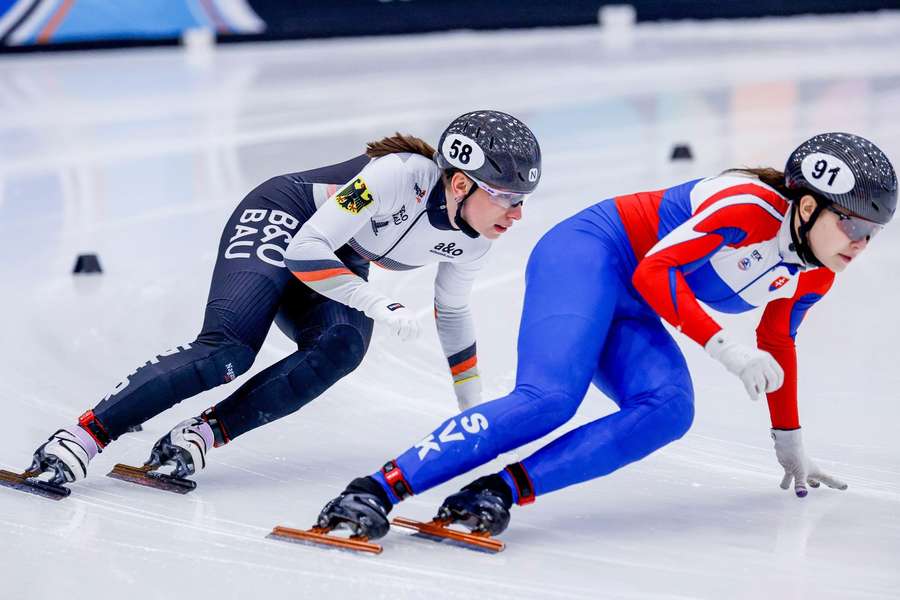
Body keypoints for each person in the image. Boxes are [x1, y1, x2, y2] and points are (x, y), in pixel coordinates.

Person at [314, 132, 897, 541]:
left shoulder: (818, 269)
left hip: (638, 298)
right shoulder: (746, 207)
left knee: (668, 409)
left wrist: (788, 439)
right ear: (806, 206)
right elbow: (655, 271)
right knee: (549, 399)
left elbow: (778, 341)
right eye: (851, 222)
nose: (860, 242)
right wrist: (725, 349)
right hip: (592, 253)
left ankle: (495, 492)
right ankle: (375, 489)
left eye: (873, 230)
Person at [22, 110, 542, 487]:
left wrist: (474, 415)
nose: (516, 214)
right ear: (459, 184)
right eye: (506, 197)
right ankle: (83, 435)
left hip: (339, 251)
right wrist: (376, 303)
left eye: (522, 200)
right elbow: (305, 250)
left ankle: (201, 434)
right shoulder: (397, 175)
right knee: (228, 351)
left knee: (341, 348)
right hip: (285, 219)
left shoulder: (477, 238)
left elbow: (453, 311)